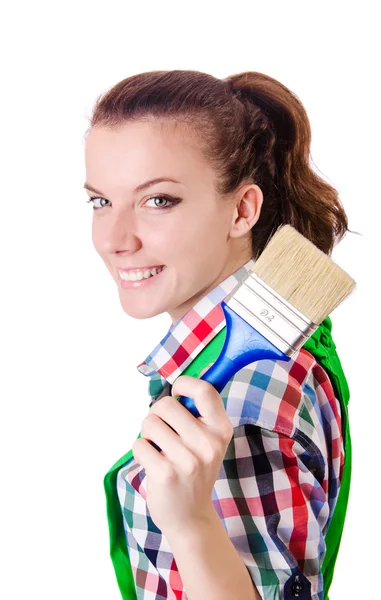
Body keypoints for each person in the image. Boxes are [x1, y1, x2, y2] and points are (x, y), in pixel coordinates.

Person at [83, 70, 354, 600]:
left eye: (158, 200)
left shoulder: (251, 393)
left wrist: (192, 526)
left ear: (242, 210)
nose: (115, 239)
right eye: (100, 201)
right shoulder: (230, 359)